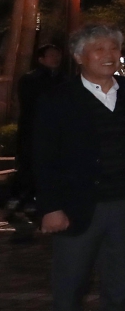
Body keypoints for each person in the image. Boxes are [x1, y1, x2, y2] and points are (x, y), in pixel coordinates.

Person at [36, 25, 125, 311]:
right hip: (76, 208)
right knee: (69, 289)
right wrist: (49, 207)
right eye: (98, 49)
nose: (108, 55)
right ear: (78, 57)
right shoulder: (59, 97)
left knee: (119, 286)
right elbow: (42, 156)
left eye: (114, 48)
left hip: (123, 205)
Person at [11, 42, 64, 231]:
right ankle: (22, 202)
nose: (55, 58)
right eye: (50, 55)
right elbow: (32, 106)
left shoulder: (62, 78)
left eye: (57, 54)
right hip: (34, 132)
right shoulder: (31, 79)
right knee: (31, 168)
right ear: (41, 59)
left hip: (55, 133)